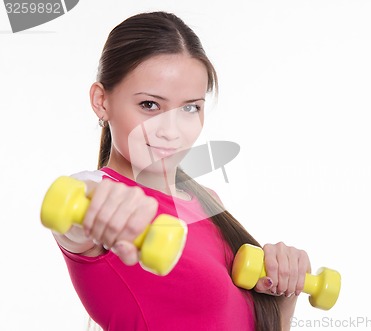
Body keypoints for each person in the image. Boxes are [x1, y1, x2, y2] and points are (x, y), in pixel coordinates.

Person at [53, 11, 311, 331]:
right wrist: (103, 210)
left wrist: (284, 292)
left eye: (190, 107)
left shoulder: (205, 201)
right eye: (150, 105)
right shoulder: (94, 193)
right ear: (101, 101)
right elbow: (78, 210)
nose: (171, 131)